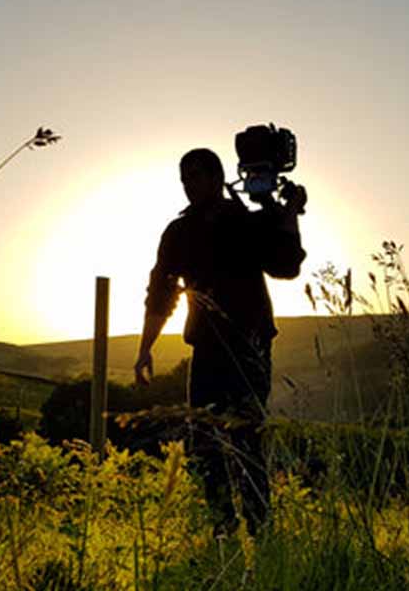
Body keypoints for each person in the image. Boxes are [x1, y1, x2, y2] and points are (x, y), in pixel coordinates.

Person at [134, 148, 306, 538]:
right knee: (206, 442)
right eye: (183, 177)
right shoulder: (178, 232)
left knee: (247, 439)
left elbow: (287, 265)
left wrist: (289, 214)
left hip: (250, 346)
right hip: (207, 349)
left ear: (216, 177)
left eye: (195, 176)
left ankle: (261, 532)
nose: (188, 184)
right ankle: (222, 529)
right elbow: (161, 292)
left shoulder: (244, 221)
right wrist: (145, 348)